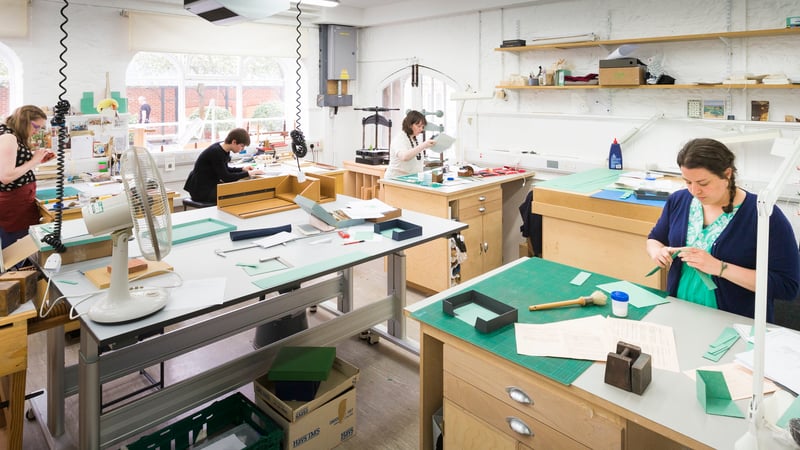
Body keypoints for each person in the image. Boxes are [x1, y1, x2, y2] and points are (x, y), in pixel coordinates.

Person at [646, 138, 800, 322]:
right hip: (681, 310)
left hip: (735, 323)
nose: (695, 191)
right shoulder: (679, 200)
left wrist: (720, 268)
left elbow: (787, 286)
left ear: (727, 174)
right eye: (688, 182)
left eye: (703, 183)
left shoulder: (763, 215)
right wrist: (658, 252)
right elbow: (655, 238)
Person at [0, 105, 54, 249]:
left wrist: (37, 159)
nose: (37, 131)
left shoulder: (13, 135)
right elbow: (5, 176)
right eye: (36, 127)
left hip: (20, 202)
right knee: (16, 251)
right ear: (25, 121)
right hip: (13, 205)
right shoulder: (8, 137)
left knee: (22, 248)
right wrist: (33, 161)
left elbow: (14, 164)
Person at [183, 128, 263, 204]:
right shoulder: (216, 152)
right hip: (201, 191)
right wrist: (249, 173)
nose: (242, 149)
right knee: (239, 193)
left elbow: (225, 169)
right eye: (242, 146)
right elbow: (226, 177)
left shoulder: (223, 148)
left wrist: (242, 169)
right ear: (234, 142)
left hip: (206, 186)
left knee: (239, 190)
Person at [383, 110, 436, 179]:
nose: (421, 129)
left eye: (422, 127)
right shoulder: (399, 139)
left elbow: (416, 158)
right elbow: (404, 157)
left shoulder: (415, 139)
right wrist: (424, 145)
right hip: (396, 180)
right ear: (410, 125)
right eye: (419, 126)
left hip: (410, 179)